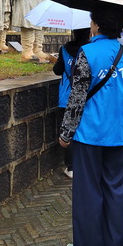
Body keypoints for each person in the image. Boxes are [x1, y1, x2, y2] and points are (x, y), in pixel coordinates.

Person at [59, 8, 123, 246]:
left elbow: (77, 97)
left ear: (98, 26)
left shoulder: (87, 52)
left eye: (92, 21)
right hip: (119, 133)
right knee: (116, 188)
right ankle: (114, 245)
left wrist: (66, 133)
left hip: (91, 133)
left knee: (88, 190)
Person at [53, 28, 91, 178]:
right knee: (83, 130)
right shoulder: (89, 50)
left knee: (68, 131)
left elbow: (57, 70)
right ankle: (84, 163)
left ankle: (71, 167)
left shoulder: (65, 49)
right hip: (85, 97)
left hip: (66, 96)